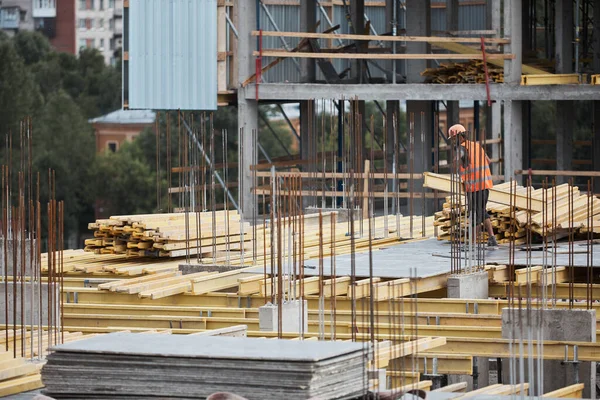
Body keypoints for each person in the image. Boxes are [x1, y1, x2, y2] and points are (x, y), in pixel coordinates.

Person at [447, 124, 498, 248]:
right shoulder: (476, 145)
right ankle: (492, 238)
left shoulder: (462, 149)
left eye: (453, 138)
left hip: (475, 187)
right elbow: (488, 160)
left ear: (460, 137)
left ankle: (473, 244)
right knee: (482, 212)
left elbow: (456, 162)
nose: (453, 141)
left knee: (475, 214)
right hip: (485, 185)